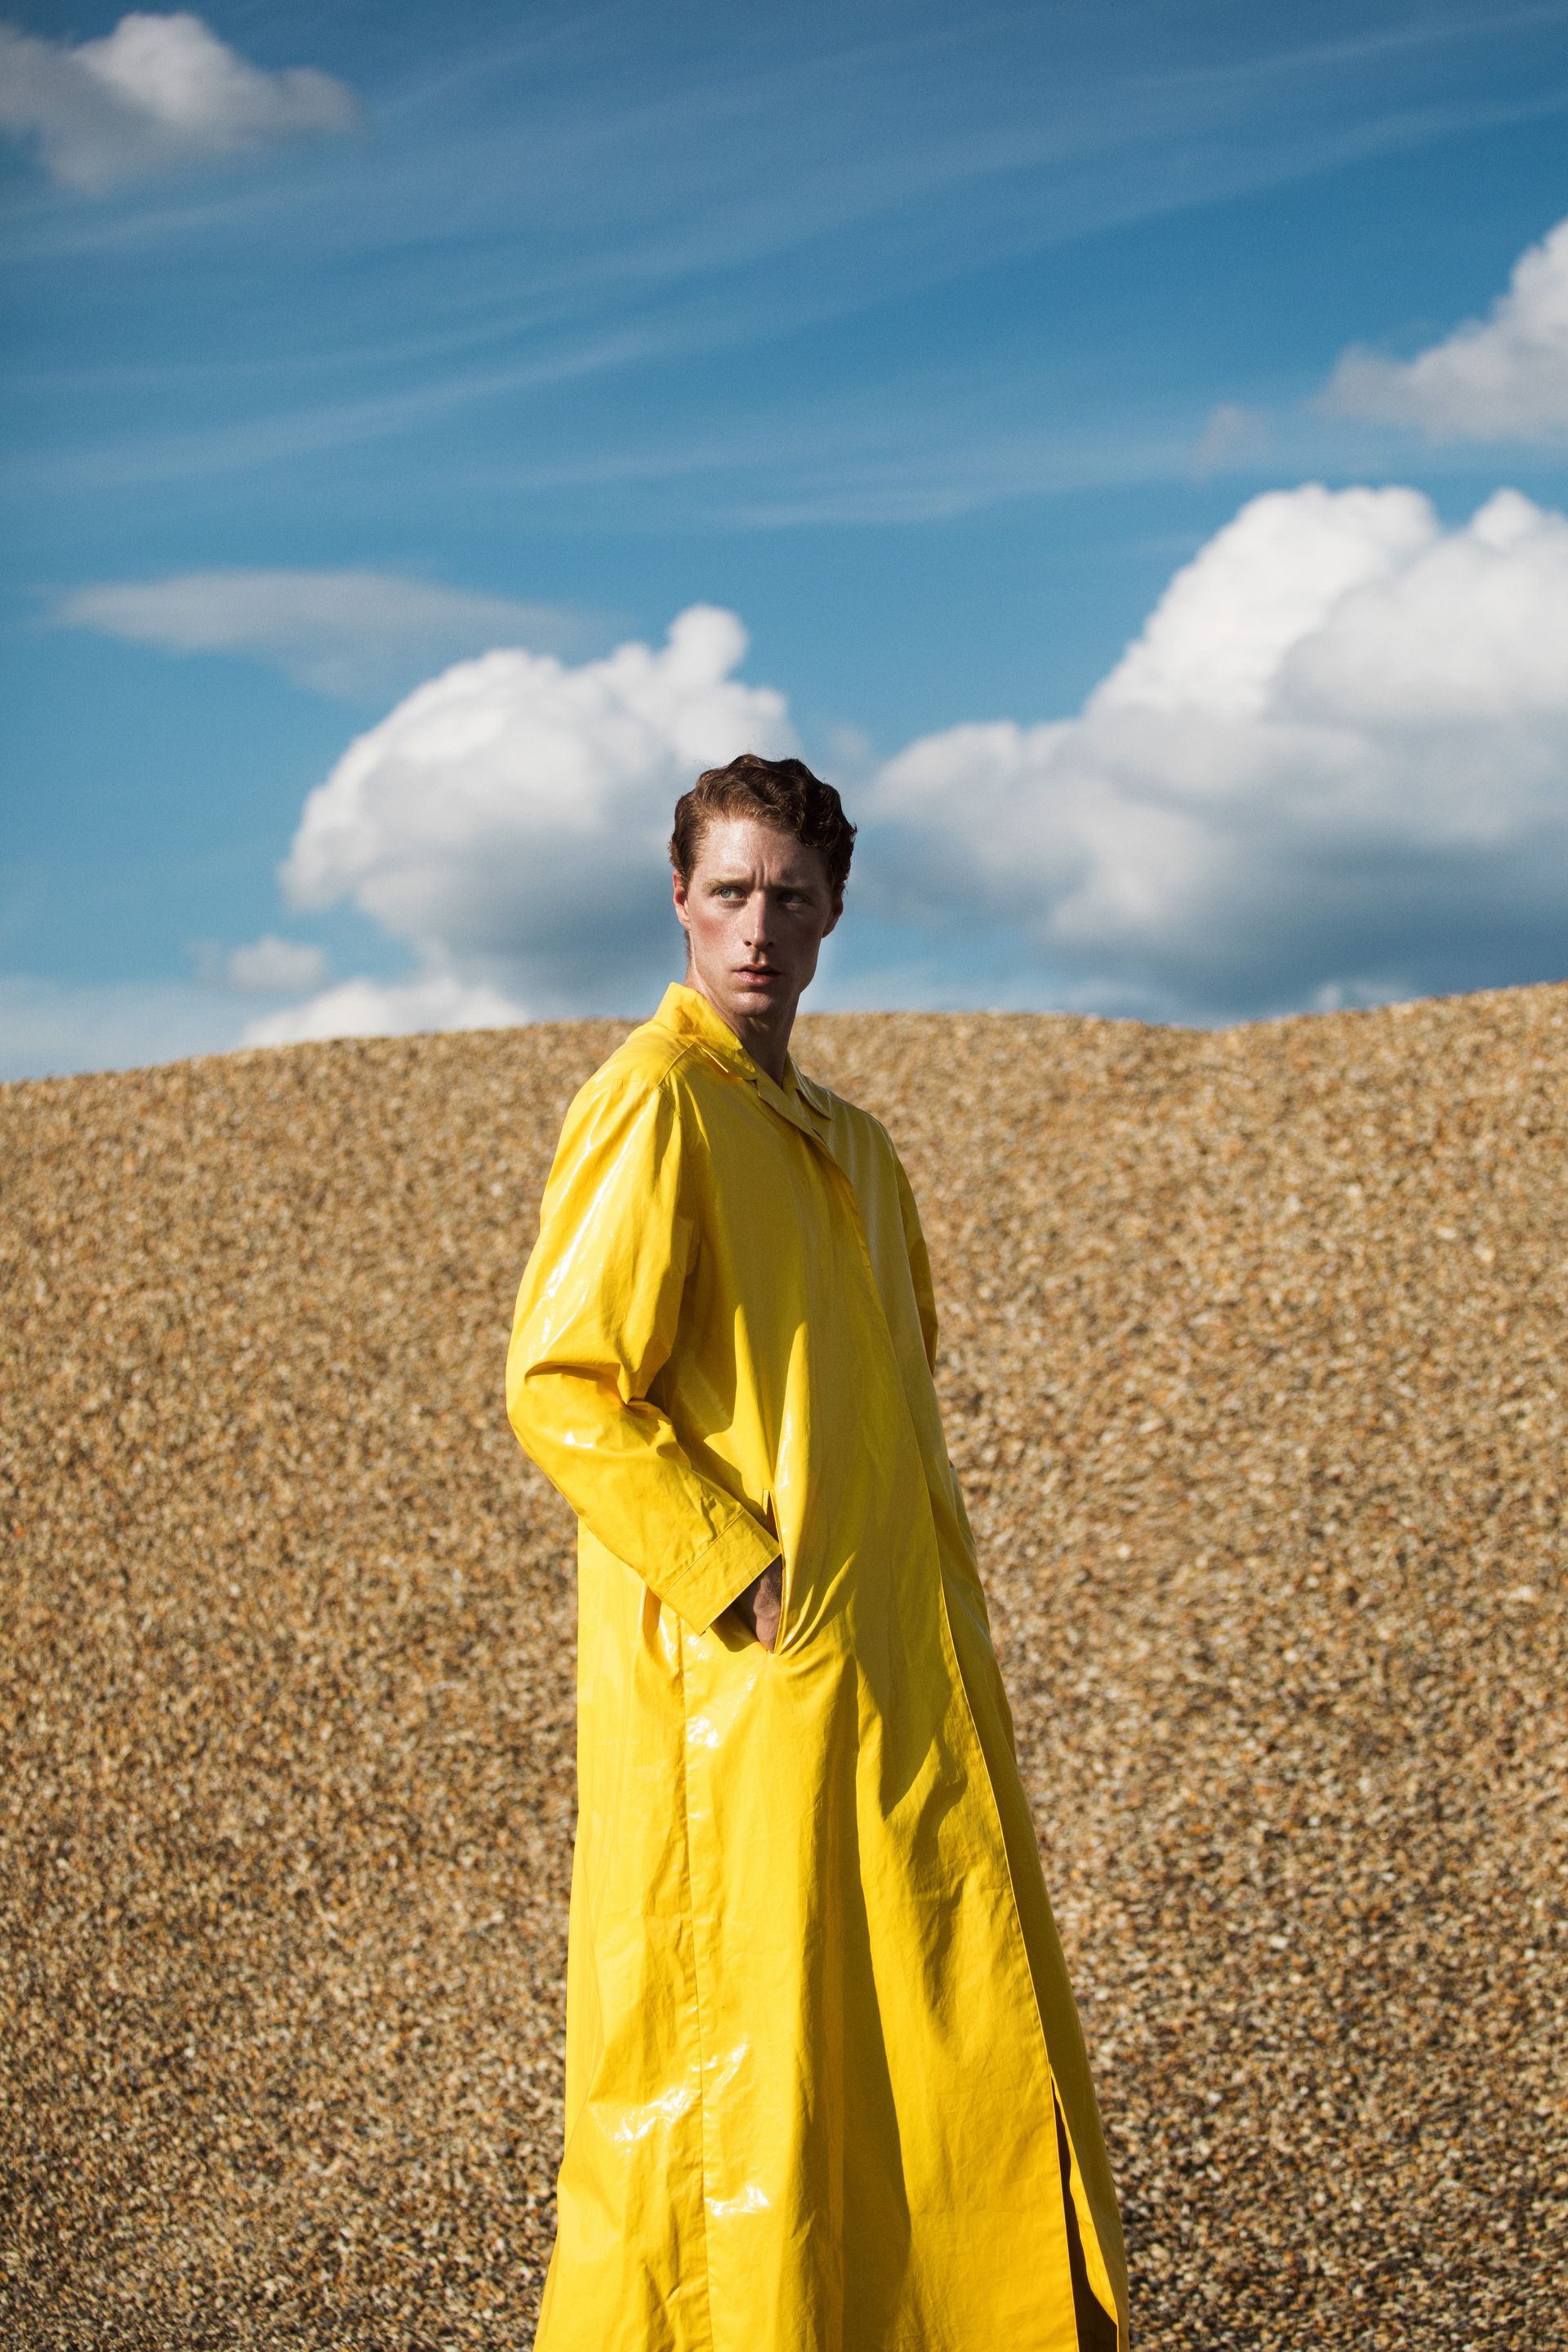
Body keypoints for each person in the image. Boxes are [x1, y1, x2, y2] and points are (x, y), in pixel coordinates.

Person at [506, 753, 1126, 2351]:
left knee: (910, 2053)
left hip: (895, 1681)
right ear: (681, 904)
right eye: (729, 893)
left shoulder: (856, 1149)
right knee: (743, 2090)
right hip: (743, 1705)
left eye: (790, 895)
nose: (759, 928)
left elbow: (891, 1417)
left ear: (838, 907)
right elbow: (563, 1387)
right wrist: (736, 1574)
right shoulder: (652, 1104)